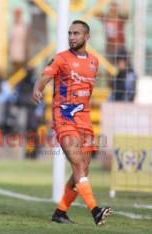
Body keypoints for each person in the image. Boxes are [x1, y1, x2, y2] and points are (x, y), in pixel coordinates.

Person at [33, 20, 112, 225]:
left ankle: (60, 212)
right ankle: (95, 211)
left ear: (87, 37)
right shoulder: (60, 59)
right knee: (77, 162)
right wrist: (37, 89)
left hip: (84, 119)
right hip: (64, 117)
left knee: (83, 169)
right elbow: (43, 78)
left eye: (76, 33)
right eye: (70, 33)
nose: (72, 37)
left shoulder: (95, 62)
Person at [9, 8, 28, 74]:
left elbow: (26, 40)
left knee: (21, 73)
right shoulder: (12, 26)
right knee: (14, 72)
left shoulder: (24, 26)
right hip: (13, 54)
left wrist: (26, 53)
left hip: (21, 54)